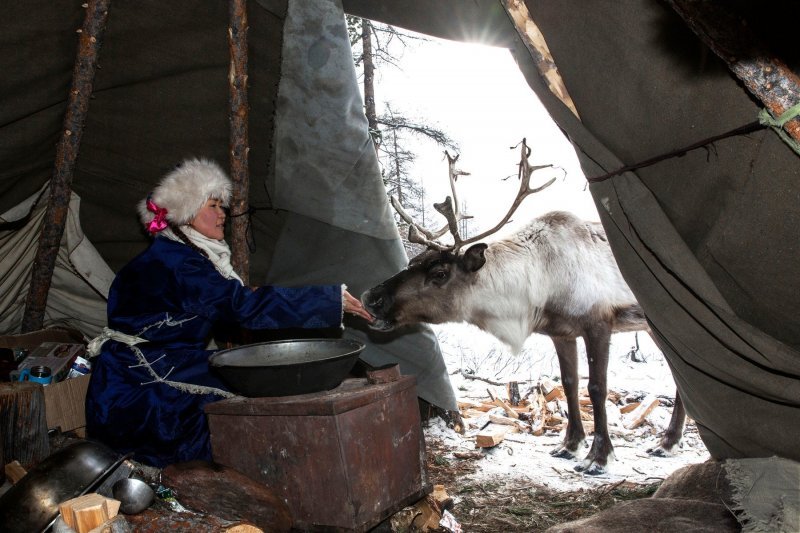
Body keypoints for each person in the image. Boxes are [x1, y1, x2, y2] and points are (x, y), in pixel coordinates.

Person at [85, 158, 372, 467]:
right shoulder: (177, 263)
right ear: (188, 211)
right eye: (214, 206)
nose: (223, 215)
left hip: (152, 364)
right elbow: (241, 307)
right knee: (241, 395)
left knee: (250, 383)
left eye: (221, 207)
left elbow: (227, 300)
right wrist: (328, 300)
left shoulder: (180, 253)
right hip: (139, 381)